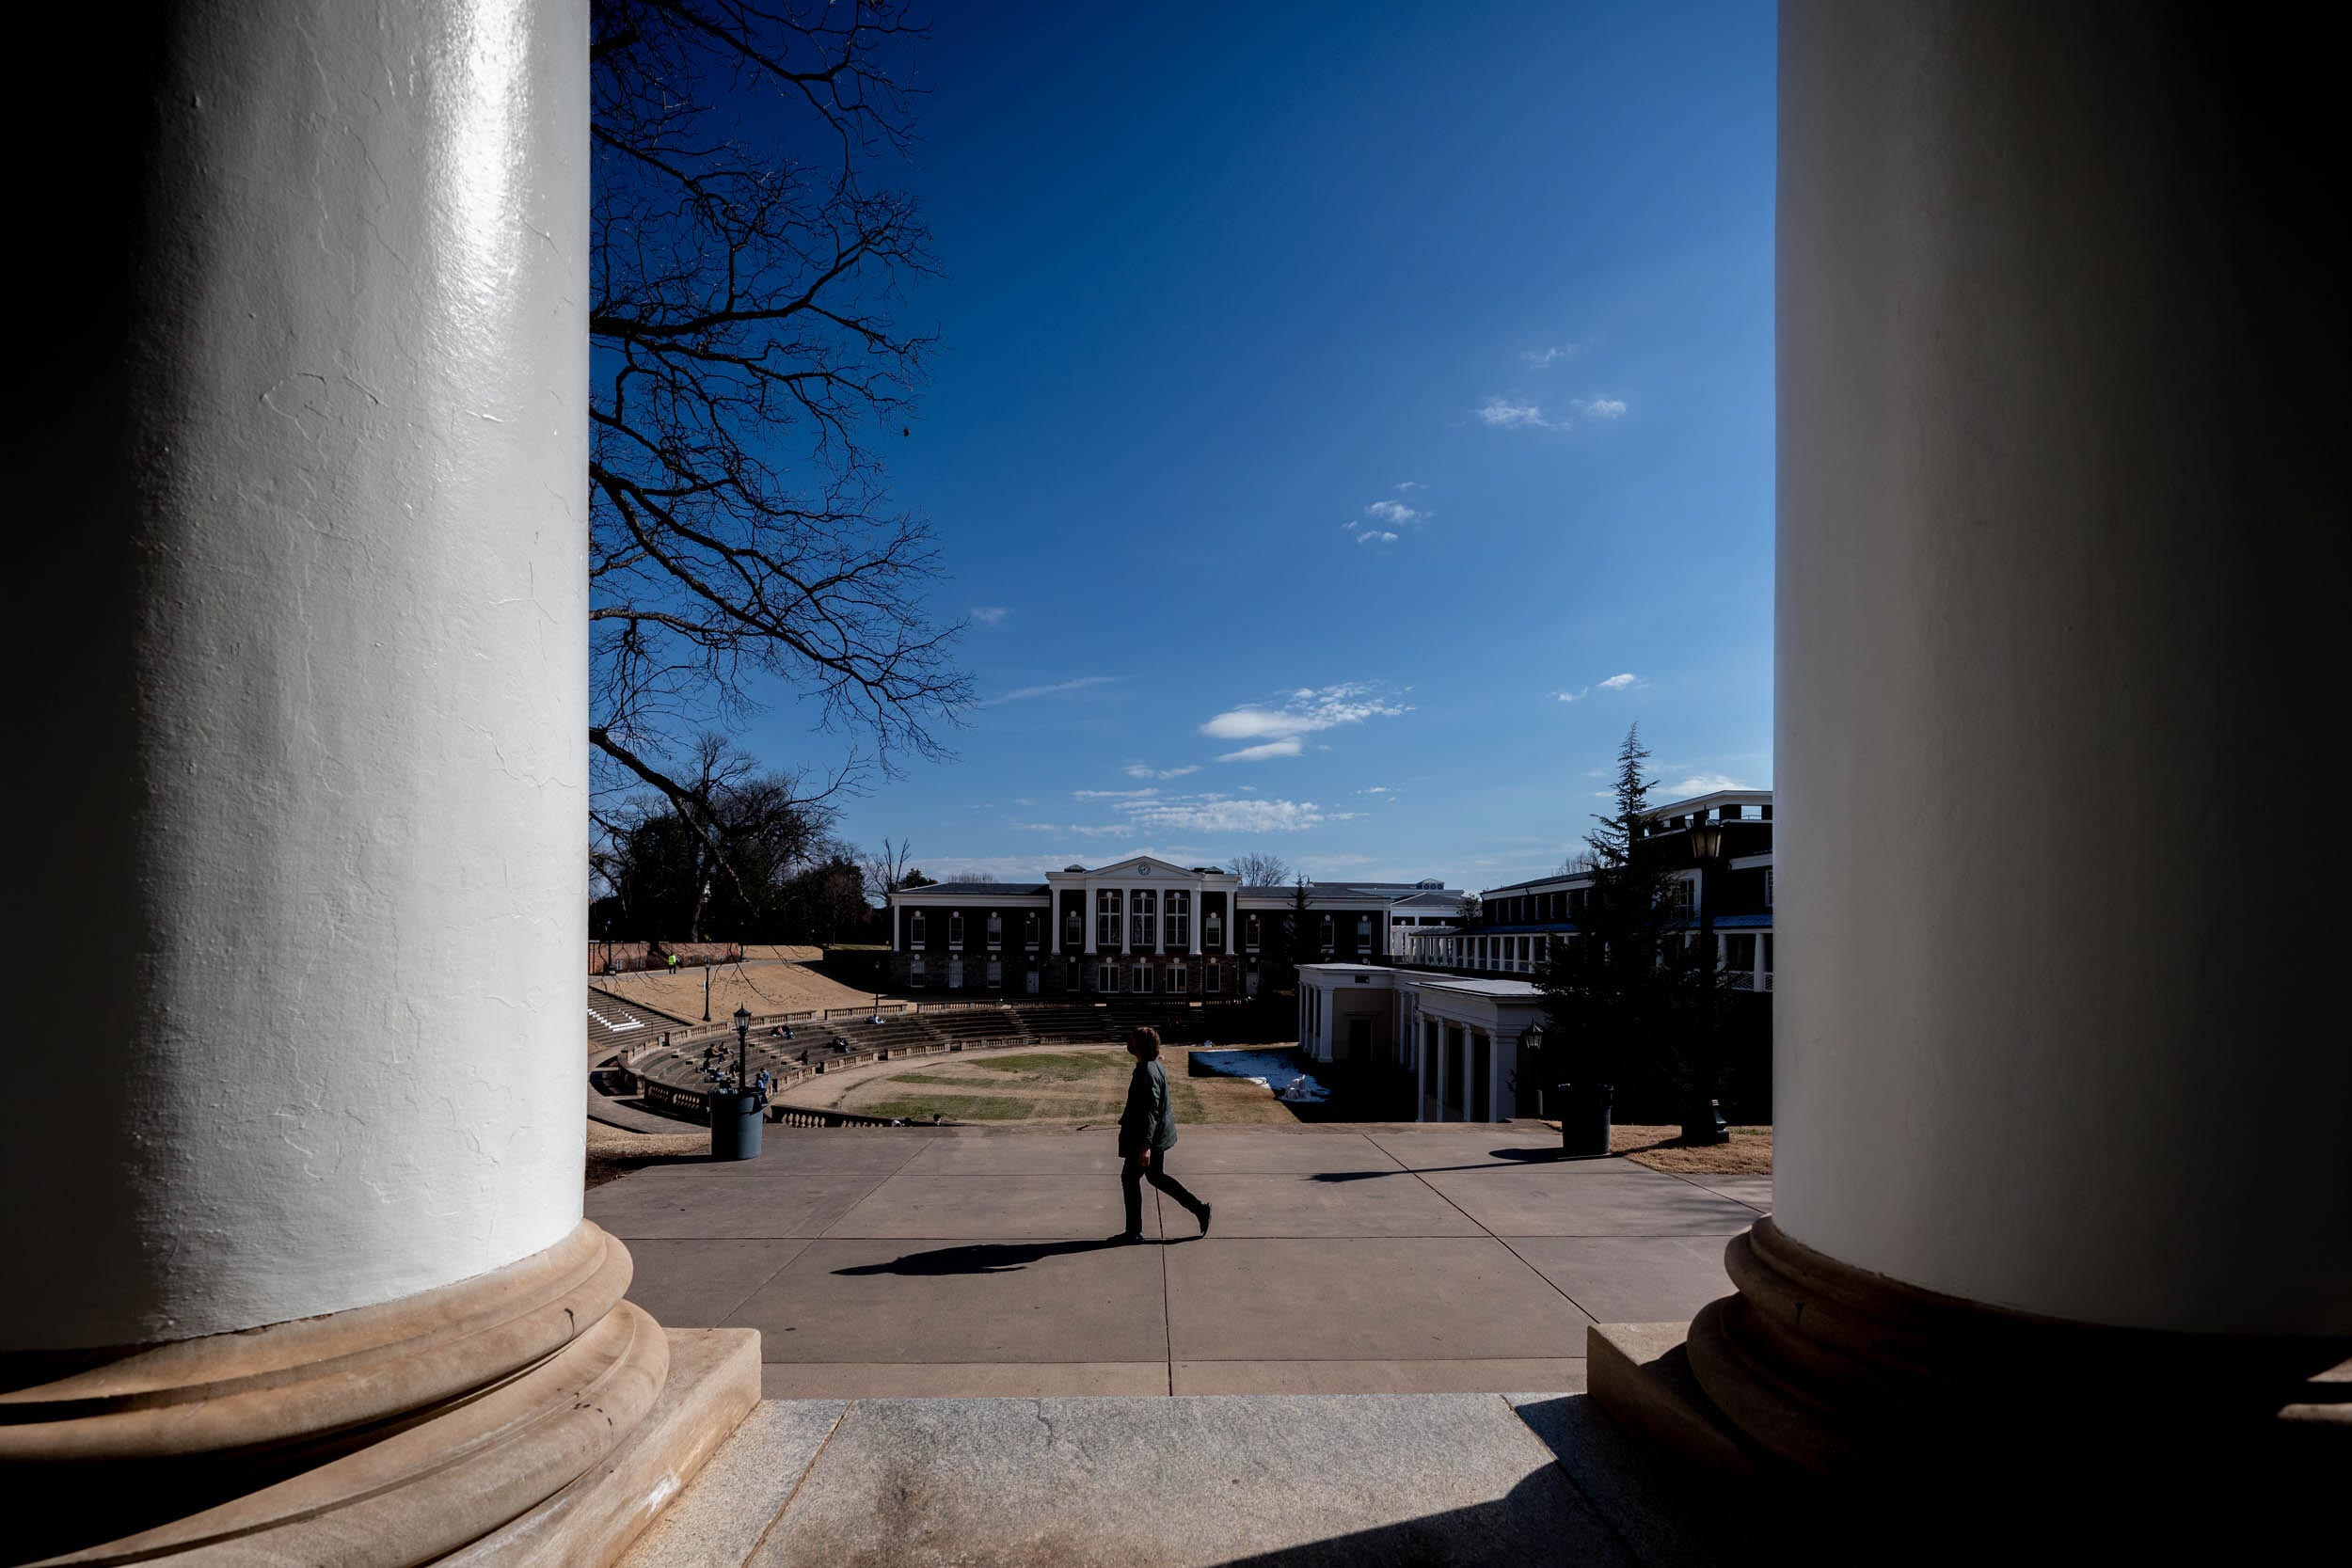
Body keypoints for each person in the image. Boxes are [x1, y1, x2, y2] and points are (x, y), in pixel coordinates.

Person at [1111, 1027, 1210, 1243]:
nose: (1129, 1042)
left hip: (1148, 1138)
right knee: (1155, 1177)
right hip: (1155, 1135)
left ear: (1141, 1046)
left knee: (1130, 1178)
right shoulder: (1153, 1066)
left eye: (1133, 1040)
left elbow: (1150, 1111)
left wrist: (1145, 1146)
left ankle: (1134, 1232)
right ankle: (1199, 1209)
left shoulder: (1146, 1072)